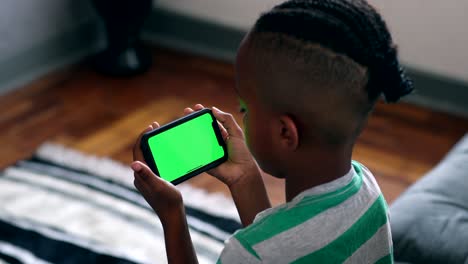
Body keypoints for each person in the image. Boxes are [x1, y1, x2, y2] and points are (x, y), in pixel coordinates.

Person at [131, 0, 414, 263]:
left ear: (285, 133)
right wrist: (245, 178)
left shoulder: (250, 253)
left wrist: (172, 215)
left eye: (245, 109)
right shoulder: (369, 193)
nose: (240, 117)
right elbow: (282, 241)